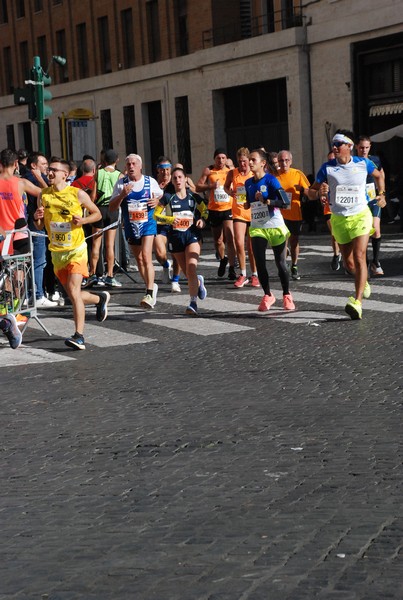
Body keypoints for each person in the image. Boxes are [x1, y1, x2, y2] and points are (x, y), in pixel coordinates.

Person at [33, 158, 110, 350]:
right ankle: (99, 298)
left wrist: (82, 221)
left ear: (64, 175)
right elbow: (40, 226)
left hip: (76, 250)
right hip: (57, 253)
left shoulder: (77, 194)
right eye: (48, 170)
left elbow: (97, 214)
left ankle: (79, 336)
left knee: (74, 292)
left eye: (53, 170)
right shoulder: (43, 195)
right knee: (72, 295)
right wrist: (37, 219)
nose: (49, 173)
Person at [308, 130, 385, 320]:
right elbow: (309, 193)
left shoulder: (363, 163)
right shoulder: (327, 168)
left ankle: (357, 302)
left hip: (360, 216)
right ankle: (363, 281)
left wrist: (381, 194)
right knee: (350, 263)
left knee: (359, 256)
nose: (334, 147)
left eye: (339, 143)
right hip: (339, 218)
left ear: (349, 146)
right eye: (333, 144)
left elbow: (379, 176)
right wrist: (319, 193)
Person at [244, 149, 295, 312]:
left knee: (280, 263)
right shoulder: (248, 183)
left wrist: (267, 200)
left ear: (263, 163)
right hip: (258, 226)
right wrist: (247, 204)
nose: (250, 163)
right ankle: (267, 294)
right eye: (249, 160)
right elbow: (249, 201)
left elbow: (285, 202)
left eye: (253, 160)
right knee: (259, 262)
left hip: (274, 225)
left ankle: (287, 294)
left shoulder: (271, 180)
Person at [109, 154, 162, 309]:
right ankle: (150, 286)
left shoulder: (149, 181)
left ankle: (150, 292)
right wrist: (122, 195)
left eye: (133, 164)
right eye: (128, 164)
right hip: (131, 226)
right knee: (138, 259)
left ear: (140, 166)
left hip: (148, 224)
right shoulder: (121, 184)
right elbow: (112, 207)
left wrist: (157, 201)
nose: (131, 166)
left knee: (146, 256)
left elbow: (161, 196)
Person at [154, 167, 208, 315]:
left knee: (191, 266)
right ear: (172, 181)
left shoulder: (193, 197)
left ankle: (193, 303)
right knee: (187, 273)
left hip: (192, 235)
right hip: (176, 237)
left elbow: (206, 210)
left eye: (180, 177)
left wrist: (202, 221)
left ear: (185, 179)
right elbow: (156, 216)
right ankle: (198, 282)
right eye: (175, 178)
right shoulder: (168, 197)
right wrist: (170, 219)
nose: (177, 180)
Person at [83, 149, 123, 288]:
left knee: (96, 244)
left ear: (104, 160)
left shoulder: (98, 173)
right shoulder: (119, 175)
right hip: (112, 210)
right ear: (117, 160)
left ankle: (93, 274)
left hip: (99, 209)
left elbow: (93, 196)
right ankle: (110, 275)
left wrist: (91, 209)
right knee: (109, 245)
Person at [23, 152, 58, 307]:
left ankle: (30, 293)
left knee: (30, 261)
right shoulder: (35, 180)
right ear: (34, 165)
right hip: (36, 224)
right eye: (43, 164)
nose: (46, 167)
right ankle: (37, 294)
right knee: (39, 261)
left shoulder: (24, 179)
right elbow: (51, 194)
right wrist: (39, 178)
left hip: (29, 225)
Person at [196, 148, 237, 280]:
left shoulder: (231, 170)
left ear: (226, 159)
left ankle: (232, 268)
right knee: (218, 241)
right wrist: (211, 186)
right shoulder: (209, 170)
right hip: (214, 209)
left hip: (228, 208)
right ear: (214, 159)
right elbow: (198, 187)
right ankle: (223, 259)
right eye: (218, 158)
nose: (220, 160)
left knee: (230, 238)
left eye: (223, 158)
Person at [224, 147, 259, 288]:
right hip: (238, 211)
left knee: (251, 247)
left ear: (249, 160)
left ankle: (255, 274)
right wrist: (230, 192)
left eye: (244, 161)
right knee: (238, 242)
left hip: (252, 212)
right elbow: (226, 187)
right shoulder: (233, 173)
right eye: (240, 161)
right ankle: (243, 274)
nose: (242, 164)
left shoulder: (253, 173)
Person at [276, 150, 311, 280]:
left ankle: (294, 265)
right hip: (279, 214)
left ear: (290, 161)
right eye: (281, 160)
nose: (284, 163)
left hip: (295, 213)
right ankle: (283, 266)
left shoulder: (297, 174)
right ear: (278, 162)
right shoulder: (274, 176)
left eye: (286, 160)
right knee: (281, 241)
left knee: (294, 241)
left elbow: (308, 190)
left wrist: (305, 191)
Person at [355, 135, 386, 275]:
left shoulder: (375, 160)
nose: (364, 150)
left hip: (373, 197)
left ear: (370, 147)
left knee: (375, 228)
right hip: (359, 199)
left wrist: (382, 193)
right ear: (356, 147)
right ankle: (364, 261)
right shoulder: (352, 161)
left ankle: (376, 261)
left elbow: (381, 175)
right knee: (363, 232)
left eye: (367, 147)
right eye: (361, 147)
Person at [153, 156, 179, 291]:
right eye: (162, 170)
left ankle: (175, 280)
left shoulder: (175, 183)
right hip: (158, 223)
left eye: (168, 169)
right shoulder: (152, 183)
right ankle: (165, 265)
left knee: (176, 254)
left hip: (174, 222)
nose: (165, 173)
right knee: (159, 253)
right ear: (158, 170)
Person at [322, 150, 342, 270]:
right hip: (329, 207)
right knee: (335, 232)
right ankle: (336, 255)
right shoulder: (325, 172)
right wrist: (322, 195)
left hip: (342, 206)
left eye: (333, 159)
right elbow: (319, 187)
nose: (331, 162)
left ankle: (345, 254)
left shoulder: (345, 171)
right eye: (329, 160)